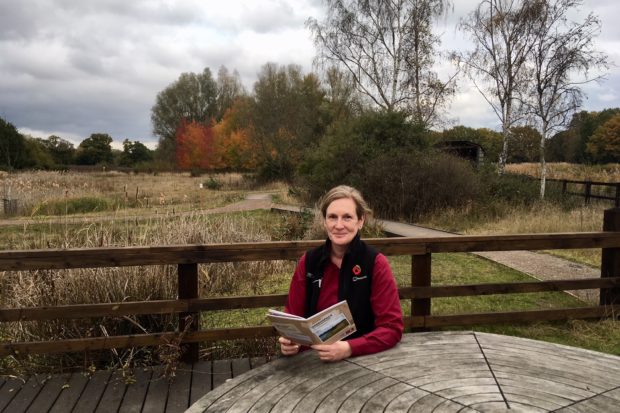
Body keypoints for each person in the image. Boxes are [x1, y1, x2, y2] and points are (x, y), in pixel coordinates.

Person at [279, 185, 403, 362]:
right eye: (332, 217)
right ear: (324, 221)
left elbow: (392, 328)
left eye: (347, 217)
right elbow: (292, 316)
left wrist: (350, 348)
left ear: (360, 221)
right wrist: (289, 341)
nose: (338, 225)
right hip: (311, 362)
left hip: (363, 361)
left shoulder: (375, 263)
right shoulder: (309, 261)